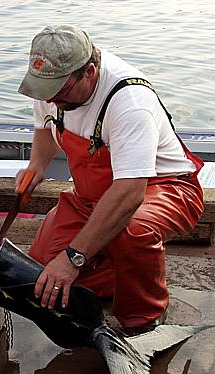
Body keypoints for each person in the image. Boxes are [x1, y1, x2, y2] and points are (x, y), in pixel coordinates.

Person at [16, 25, 204, 330]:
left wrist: (74, 258)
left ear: (89, 71)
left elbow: (130, 194)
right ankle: (125, 271)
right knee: (40, 268)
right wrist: (36, 166)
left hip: (163, 188)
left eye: (60, 92)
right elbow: (45, 126)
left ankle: (145, 315)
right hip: (92, 195)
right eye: (45, 92)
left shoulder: (129, 102)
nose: (51, 100)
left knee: (130, 230)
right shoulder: (52, 87)